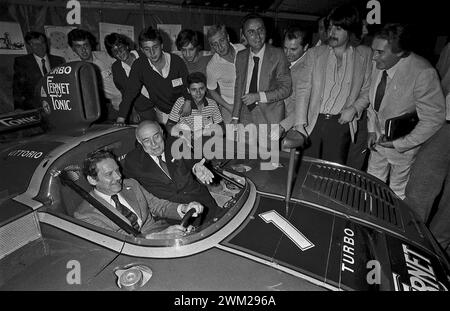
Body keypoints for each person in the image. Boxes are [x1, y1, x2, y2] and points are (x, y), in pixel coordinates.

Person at [366, 23, 446, 199]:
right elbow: (374, 104)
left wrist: (401, 143)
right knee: (370, 186)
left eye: (379, 52)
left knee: (396, 195)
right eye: (374, 50)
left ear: (400, 52)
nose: (373, 57)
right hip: (378, 144)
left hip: (403, 150)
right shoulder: (378, 64)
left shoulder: (423, 72)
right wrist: (372, 129)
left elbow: (434, 119)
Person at [293, 5, 372, 165]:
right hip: (313, 121)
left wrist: (355, 108)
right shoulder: (314, 54)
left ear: (350, 30)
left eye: (338, 28)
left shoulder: (364, 55)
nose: (331, 33)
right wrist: (300, 124)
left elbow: (367, 90)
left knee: (332, 173)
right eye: (330, 28)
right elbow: (303, 90)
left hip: (341, 124)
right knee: (306, 169)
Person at [74, 149, 203, 238]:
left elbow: (157, 205)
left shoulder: (130, 184)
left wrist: (184, 208)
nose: (118, 176)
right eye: (109, 174)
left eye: (117, 170)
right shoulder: (85, 215)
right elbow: (118, 242)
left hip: (160, 230)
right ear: (92, 179)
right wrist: (155, 238)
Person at [123, 121, 219, 223]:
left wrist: (196, 167)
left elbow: (190, 160)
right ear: (139, 141)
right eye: (146, 140)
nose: (154, 144)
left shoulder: (175, 143)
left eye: (156, 137)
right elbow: (130, 187)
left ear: (162, 133)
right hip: (172, 215)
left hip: (202, 202)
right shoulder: (133, 161)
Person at [231, 13, 291, 138]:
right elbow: (239, 87)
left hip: (270, 115)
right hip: (245, 113)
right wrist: (235, 116)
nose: (257, 36)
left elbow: (286, 89)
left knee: (268, 156)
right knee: (245, 154)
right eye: (251, 32)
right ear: (244, 35)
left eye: (260, 30)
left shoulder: (279, 54)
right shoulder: (241, 56)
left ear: (265, 30)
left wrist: (258, 96)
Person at [404, 93, 450, 258]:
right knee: (417, 195)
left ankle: (435, 261)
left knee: (446, 220)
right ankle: (403, 247)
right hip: (445, 125)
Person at [116, 27, 189, 125]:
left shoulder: (176, 61)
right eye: (147, 49)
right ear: (141, 50)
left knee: (196, 138)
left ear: (162, 45)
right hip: (163, 113)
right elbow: (130, 92)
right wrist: (121, 118)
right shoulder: (139, 65)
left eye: (155, 47)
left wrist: (188, 101)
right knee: (169, 138)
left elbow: (187, 85)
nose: (152, 53)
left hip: (184, 108)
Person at [68, 28, 122, 122]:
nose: (83, 50)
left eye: (86, 45)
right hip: (103, 109)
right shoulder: (73, 68)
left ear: (91, 45)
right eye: (78, 46)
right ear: (73, 48)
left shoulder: (106, 56)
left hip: (126, 102)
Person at [104, 33, 156, 123]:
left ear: (127, 46)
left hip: (161, 101)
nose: (119, 53)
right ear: (112, 54)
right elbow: (125, 93)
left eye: (121, 48)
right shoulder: (116, 68)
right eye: (115, 51)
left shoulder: (144, 55)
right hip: (143, 108)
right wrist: (133, 111)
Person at [272, 26, 310, 140]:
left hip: (295, 128)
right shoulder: (286, 62)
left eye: (293, 49)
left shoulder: (307, 69)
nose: (287, 53)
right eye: (285, 48)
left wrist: (283, 126)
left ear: (306, 47)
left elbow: (305, 105)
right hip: (281, 124)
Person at [13, 31, 65, 110]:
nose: (40, 46)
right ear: (29, 46)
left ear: (46, 44)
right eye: (35, 44)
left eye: (42, 43)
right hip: (34, 107)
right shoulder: (22, 62)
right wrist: (18, 107)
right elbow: (17, 88)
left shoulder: (58, 61)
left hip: (57, 106)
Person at [206, 24, 246, 124]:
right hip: (230, 105)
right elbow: (211, 90)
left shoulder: (242, 49)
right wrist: (228, 107)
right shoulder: (212, 66)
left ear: (228, 37)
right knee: (233, 138)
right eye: (215, 44)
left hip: (249, 101)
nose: (219, 46)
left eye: (222, 40)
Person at [167, 72, 224, 141]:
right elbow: (169, 126)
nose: (198, 93)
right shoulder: (181, 102)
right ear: (188, 90)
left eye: (201, 88)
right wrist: (184, 134)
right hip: (185, 141)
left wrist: (204, 131)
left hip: (206, 141)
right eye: (194, 89)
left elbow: (222, 129)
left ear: (206, 88)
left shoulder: (212, 104)